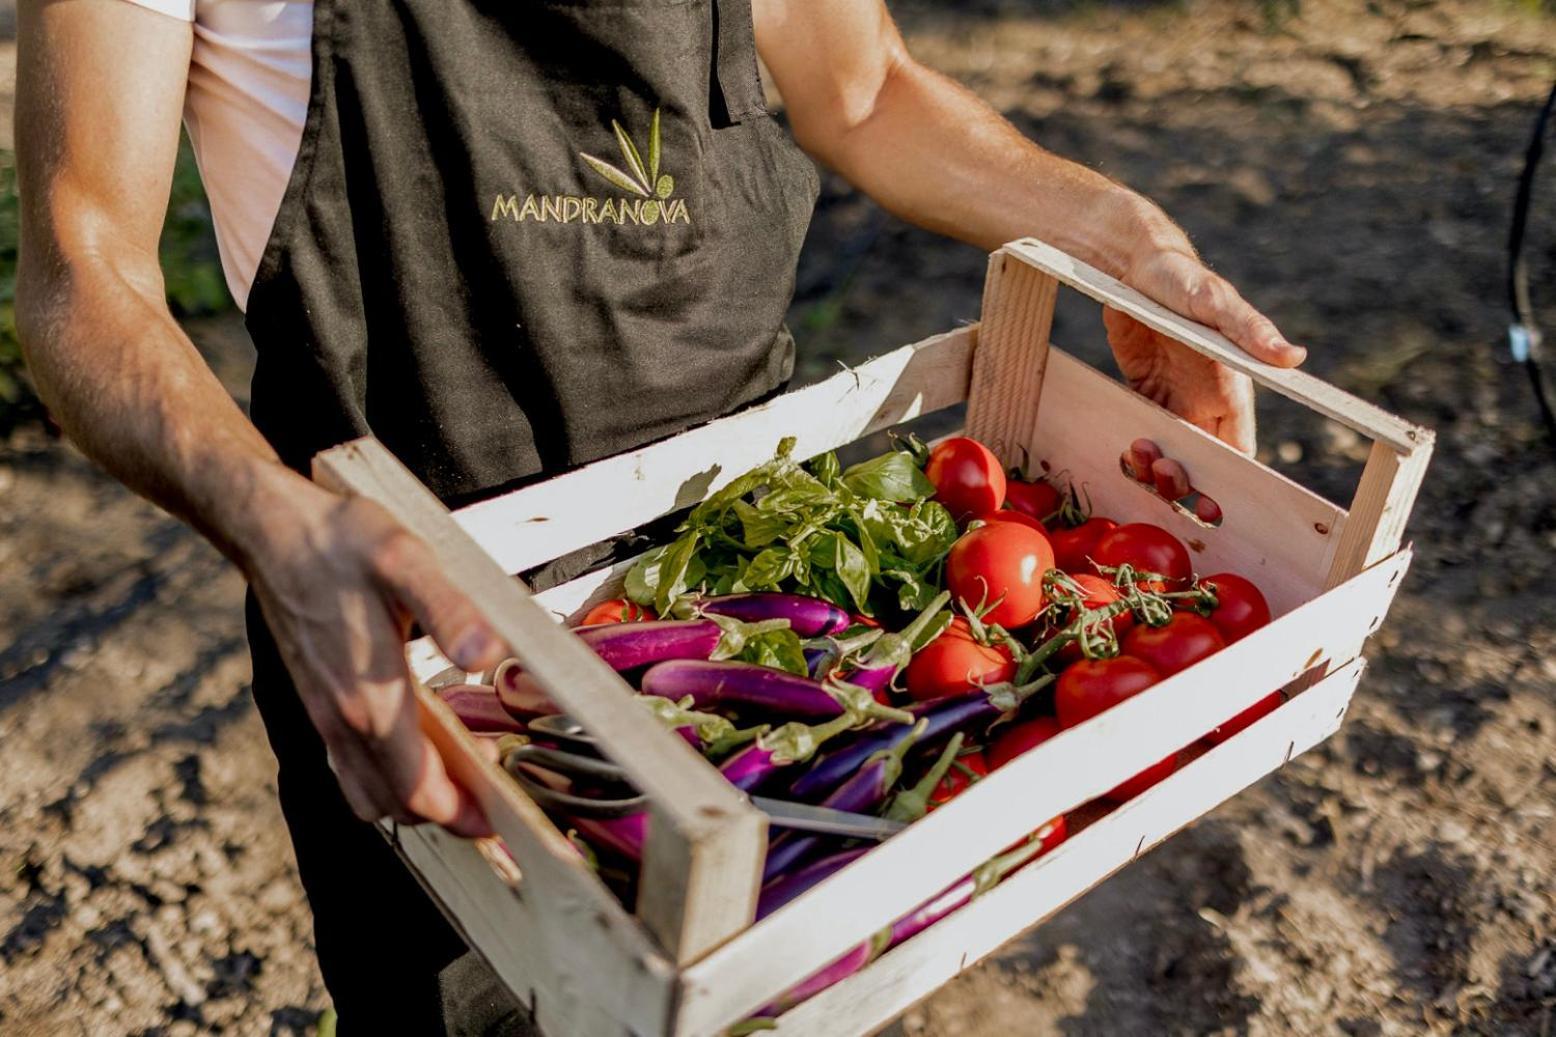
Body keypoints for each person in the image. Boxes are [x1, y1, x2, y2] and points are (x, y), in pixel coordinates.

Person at [14, 0, 1307, 1031]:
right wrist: (270, 519)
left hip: (773, 602)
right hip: (439, 673)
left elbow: (862, 87)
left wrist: (1120, 234)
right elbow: (84, 268)